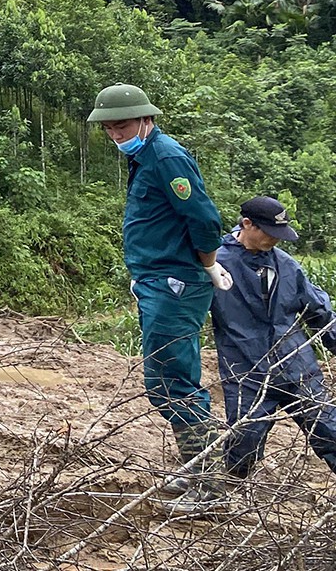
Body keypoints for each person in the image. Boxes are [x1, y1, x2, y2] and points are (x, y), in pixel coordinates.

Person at [87, 83, 232, 512]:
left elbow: (203, 218)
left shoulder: (166, 156)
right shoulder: (143, 155)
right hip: (158, 279)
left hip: (177, 283)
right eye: (110, 128)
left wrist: (208, 264)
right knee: (167, 381)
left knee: (172, 382)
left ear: (146, 119)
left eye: (123, 126)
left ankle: (209, 487)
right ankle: (198, 465)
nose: (116, 134)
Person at [209, 196, 336, 480]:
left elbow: (320, 311)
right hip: (245, 370)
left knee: (329, 430)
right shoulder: (215, 262)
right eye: (270, 233)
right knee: (245, 440)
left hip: (297, 367)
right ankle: (230, 491)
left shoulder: (287, 266)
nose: (275, 240)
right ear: (247, 224)